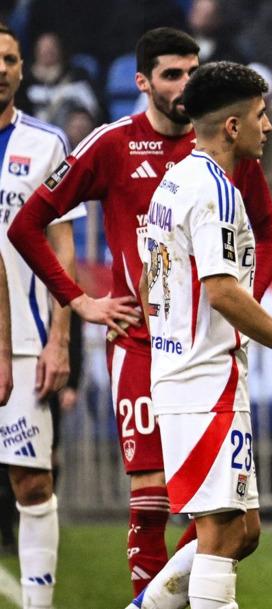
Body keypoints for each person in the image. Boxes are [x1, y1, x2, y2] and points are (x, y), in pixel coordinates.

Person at [8, 27, 272, 597]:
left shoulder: (224, 144)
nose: (186, 84)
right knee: (152, 498)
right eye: (171, 74)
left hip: (208, 350)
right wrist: (79, 299)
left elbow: (271, 232)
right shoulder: (112, 144)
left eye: (192, 71)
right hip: (139, 342)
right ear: (142, 82)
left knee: (238, 527)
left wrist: (243, 303)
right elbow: (27, 224)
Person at [135, 61, 272, 609]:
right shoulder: (215, 192)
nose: (268, 127)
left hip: (191, 375)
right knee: (221, 537)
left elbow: (145, 277)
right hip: (205, 383)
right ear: (232, 126)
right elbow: (223, 292)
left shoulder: (173, 182)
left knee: (243, 531)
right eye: (260, 115)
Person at [0, 22, 81, 609]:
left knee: (32, 483)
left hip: (26, 340)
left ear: (23, 69)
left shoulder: (48, 144)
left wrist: (61, 337)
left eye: (9, 58)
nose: (0, 68)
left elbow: (64, 246)